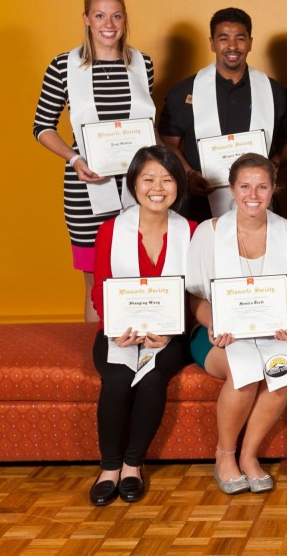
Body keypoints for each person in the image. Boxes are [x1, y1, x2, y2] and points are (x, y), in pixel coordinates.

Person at [33, 0, 156, 322]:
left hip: (139, 187)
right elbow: (41, 126)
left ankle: (138, 354)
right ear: (86, 19)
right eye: (100, 15)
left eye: (116, 15)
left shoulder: (142, 64)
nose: (108, 24)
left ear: (125, 19)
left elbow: (146, 125)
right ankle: (98, 361)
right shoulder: (63, 66)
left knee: (135, 275)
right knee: (96, 282)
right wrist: (75, 160)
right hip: (86, 189)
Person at [186, 153, 287, 494]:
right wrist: (213, 324)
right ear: (231, 188)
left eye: (262, 186)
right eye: (244, 186)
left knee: (282, 371)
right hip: (218, 335)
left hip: (275, 334)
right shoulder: (207, 234)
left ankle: (250, 456)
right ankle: (225, 455)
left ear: (273, 190)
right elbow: (196, 297)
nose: (253, 195)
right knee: (246, 371)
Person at [88, 146, 194, 506]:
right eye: (148, 178)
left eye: (167, 179)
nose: (157, 187)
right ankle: (109, 468)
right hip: (120, 331)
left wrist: (172, 330)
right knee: (117, 379)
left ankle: (133, 464)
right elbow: (100, 288)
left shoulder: (191, 232)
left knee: (150, 378)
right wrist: (115, 328)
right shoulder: (109, 231)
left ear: (178, 185)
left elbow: (197, 294)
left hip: (170, 335)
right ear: (134, 184)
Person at [160, 8, 287, 222]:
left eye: (240, 39)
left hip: (259, 202)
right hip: (200, 204)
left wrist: (275, 164)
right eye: (223, 38)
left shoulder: (276, 92)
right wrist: (189, 175)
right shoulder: (182, 93)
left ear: (250, 42)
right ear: (212, 43)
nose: (232, 46)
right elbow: (167, 143)